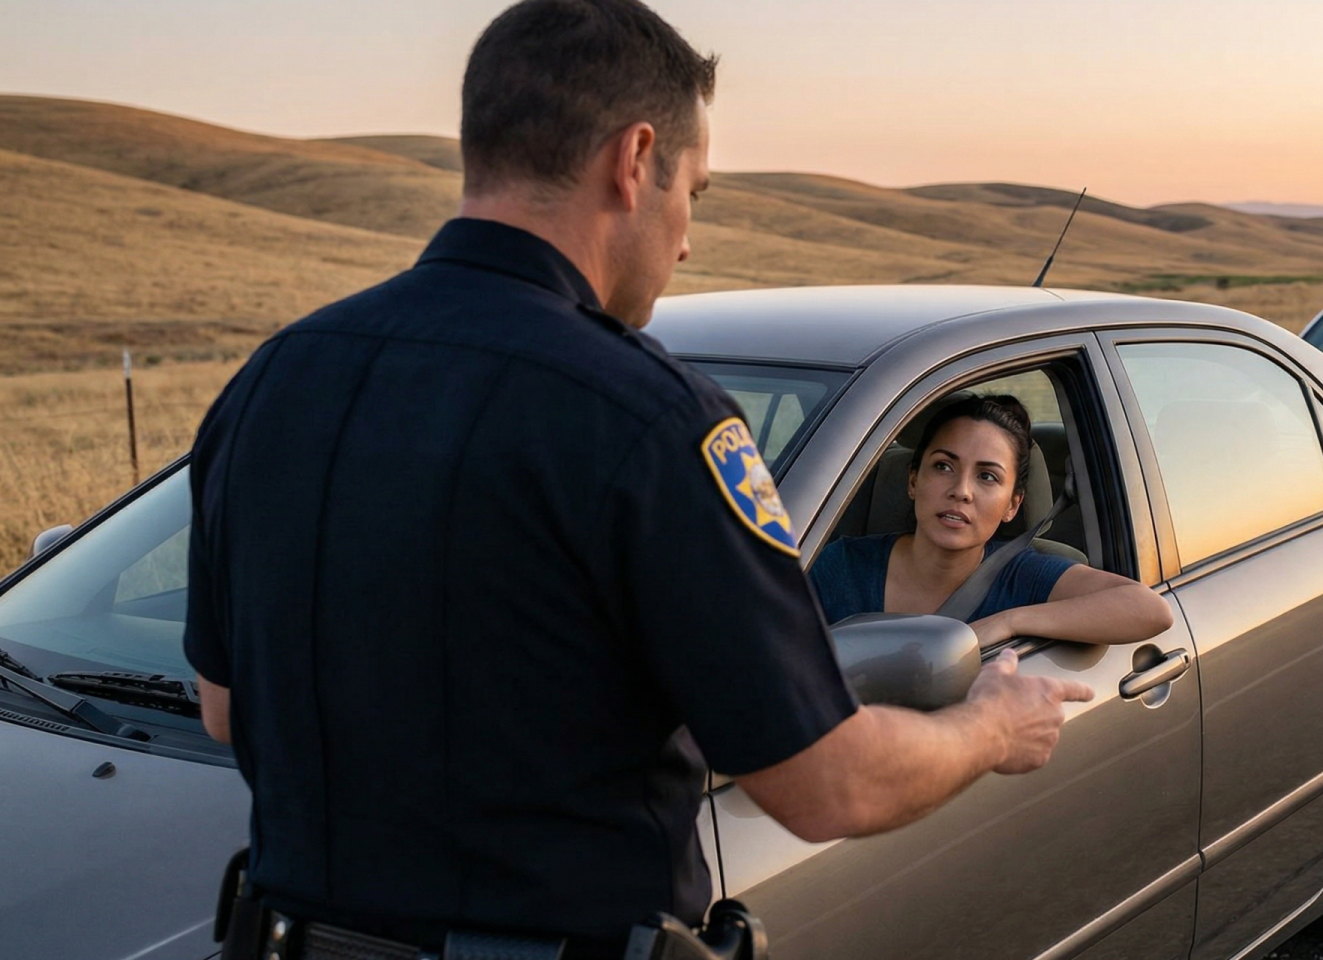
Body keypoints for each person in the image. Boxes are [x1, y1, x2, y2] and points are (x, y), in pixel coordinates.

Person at [183, 2, 1092, 958]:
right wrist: (992, 728)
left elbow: (225, 707)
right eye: (693, 191)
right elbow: (827, 784)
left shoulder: (272, 381)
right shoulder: (650, 420)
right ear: (633, 160)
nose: (688, 236)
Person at [809, 394, 1173, 646]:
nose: (961, 490)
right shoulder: (840, 567)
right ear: (913, 480)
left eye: (987, 477)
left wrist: (1007, 622)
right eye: (943, 466)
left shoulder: (1023, 577)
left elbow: (1149, 609)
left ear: (1013, 505)